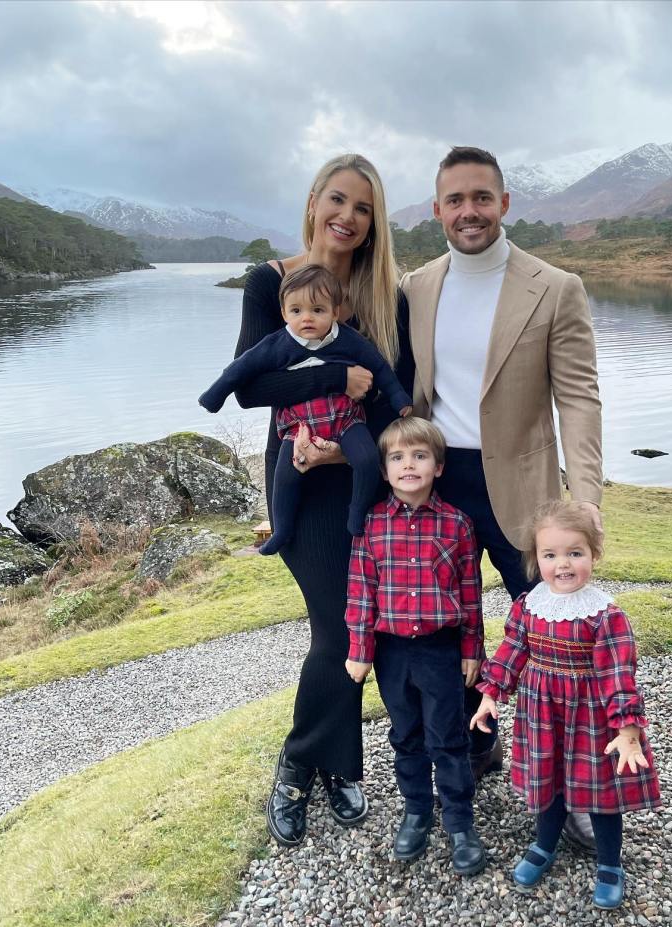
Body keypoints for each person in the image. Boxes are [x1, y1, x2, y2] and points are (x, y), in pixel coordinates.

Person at [400, 145, 603, 847]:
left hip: (522, 489)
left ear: (504, 203)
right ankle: (472, 749)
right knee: (442, 632)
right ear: (436, 212)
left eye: (481, 197)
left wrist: (587, 494)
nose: (468, 211)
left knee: (553, 638)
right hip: (435, 492)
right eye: (454, 200)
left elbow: (577, 397)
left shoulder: (554, 287)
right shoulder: (416, 286)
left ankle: (575, 786)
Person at [230, 154, 413, 847]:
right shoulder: (269, 284)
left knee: (357, 628)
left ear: (373, 223)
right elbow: (251, 386)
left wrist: (348, 444)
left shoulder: (385, 299)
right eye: (338, 199)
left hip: (363, 477)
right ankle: (300, 763)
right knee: (338, 630)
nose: (347, 216)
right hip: (301, 482)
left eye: (363, 208)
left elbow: (403, 401)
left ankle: (334, 765)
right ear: (313, 202)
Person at [470, 501, 662, 909]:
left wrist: (628, 732)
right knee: (548, 780)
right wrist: (490, 694)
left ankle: (610, 863)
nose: (563, 564)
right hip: (541, 712)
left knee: (598, 790)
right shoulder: (529, 605)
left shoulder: (605, 616)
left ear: (594, 555)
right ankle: (544, 844)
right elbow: (511, 651)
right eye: (550, 554)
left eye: (575, 553)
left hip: (590, 716)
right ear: (536, 557)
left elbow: (618, 676)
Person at [344, 417, 487, 876]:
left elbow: (470, 592)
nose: (409, 465)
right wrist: (360, 648)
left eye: (420, 456)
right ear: (384, 471)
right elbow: (361, 591)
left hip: (440, 649)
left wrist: (472, 649)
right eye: (398, 458)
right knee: (405, 735)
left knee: (448, 736)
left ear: (438, 467)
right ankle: (416, 811)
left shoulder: (458, 525)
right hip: (391, 653)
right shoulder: (371, 525)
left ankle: (460, 823)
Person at [199, 264, 412, 554]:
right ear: (284, 313)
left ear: (335, 312)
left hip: (346, 421)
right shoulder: (278, 344)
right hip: (301, 426)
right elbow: (241, 369)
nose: (307, 318)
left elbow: (380, 368)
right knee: (286, 476)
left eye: (318, 310)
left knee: (366, 459)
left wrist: (399, 398)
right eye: (296, 311)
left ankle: (356, 513)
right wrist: (215, 395)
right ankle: (282, 530)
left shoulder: (347, 339)